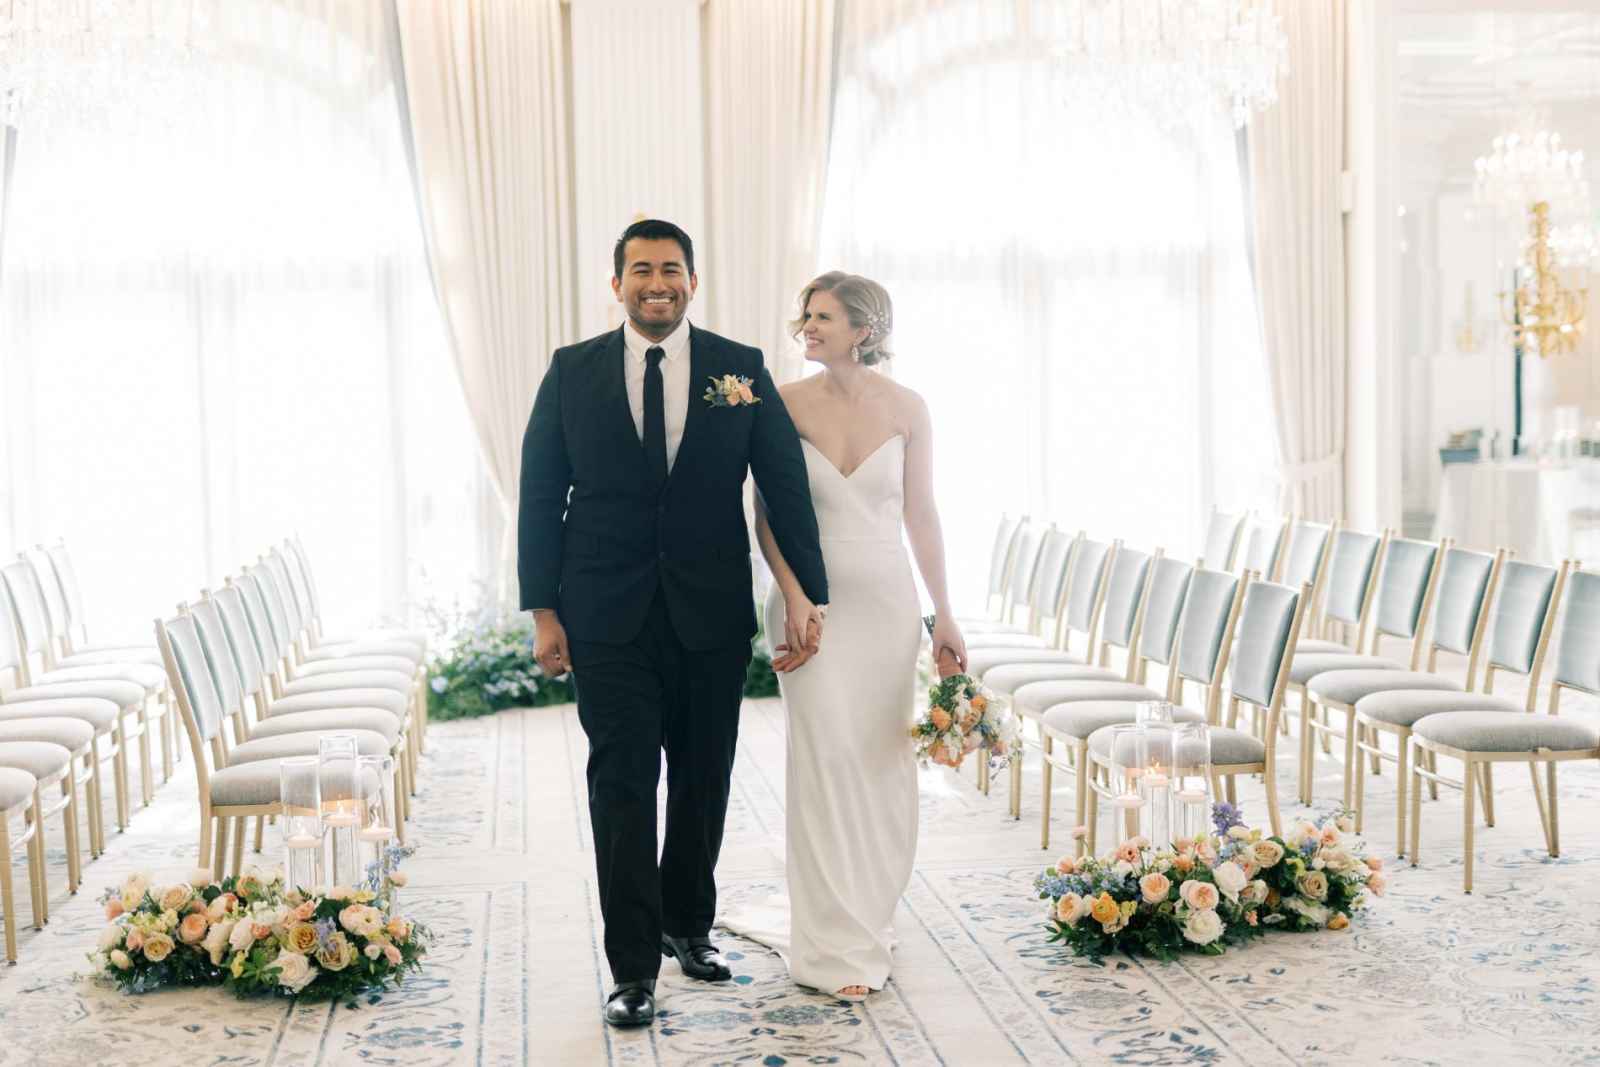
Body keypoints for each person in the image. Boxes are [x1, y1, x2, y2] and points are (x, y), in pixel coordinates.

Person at [517, 219, 829, 1028]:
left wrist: (807, 591)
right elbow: (540, 493)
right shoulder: (571, 370)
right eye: (641, 270)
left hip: (709, 611)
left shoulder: (740, 367)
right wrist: (544, 610)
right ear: (616, 283)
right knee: (621, 785)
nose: (657, 283)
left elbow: (782, 484)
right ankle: (632, 968)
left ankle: (688, 925)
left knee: (702, 777)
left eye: (671, 269)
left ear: (693, 281)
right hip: (604, 615)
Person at [721, 271, 967, 1000]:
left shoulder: (908, 408)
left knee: (881, 757)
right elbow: (765, 515)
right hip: (810, 610)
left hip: (888, 604)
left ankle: (871, 907)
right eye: (805, 314)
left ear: (863, 329)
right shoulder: (783, 403)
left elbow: (922, 514)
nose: (807, 325)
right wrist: (798, 596)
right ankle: (832, 943)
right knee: (824, 761)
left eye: (823, 315)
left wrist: (944, 613)